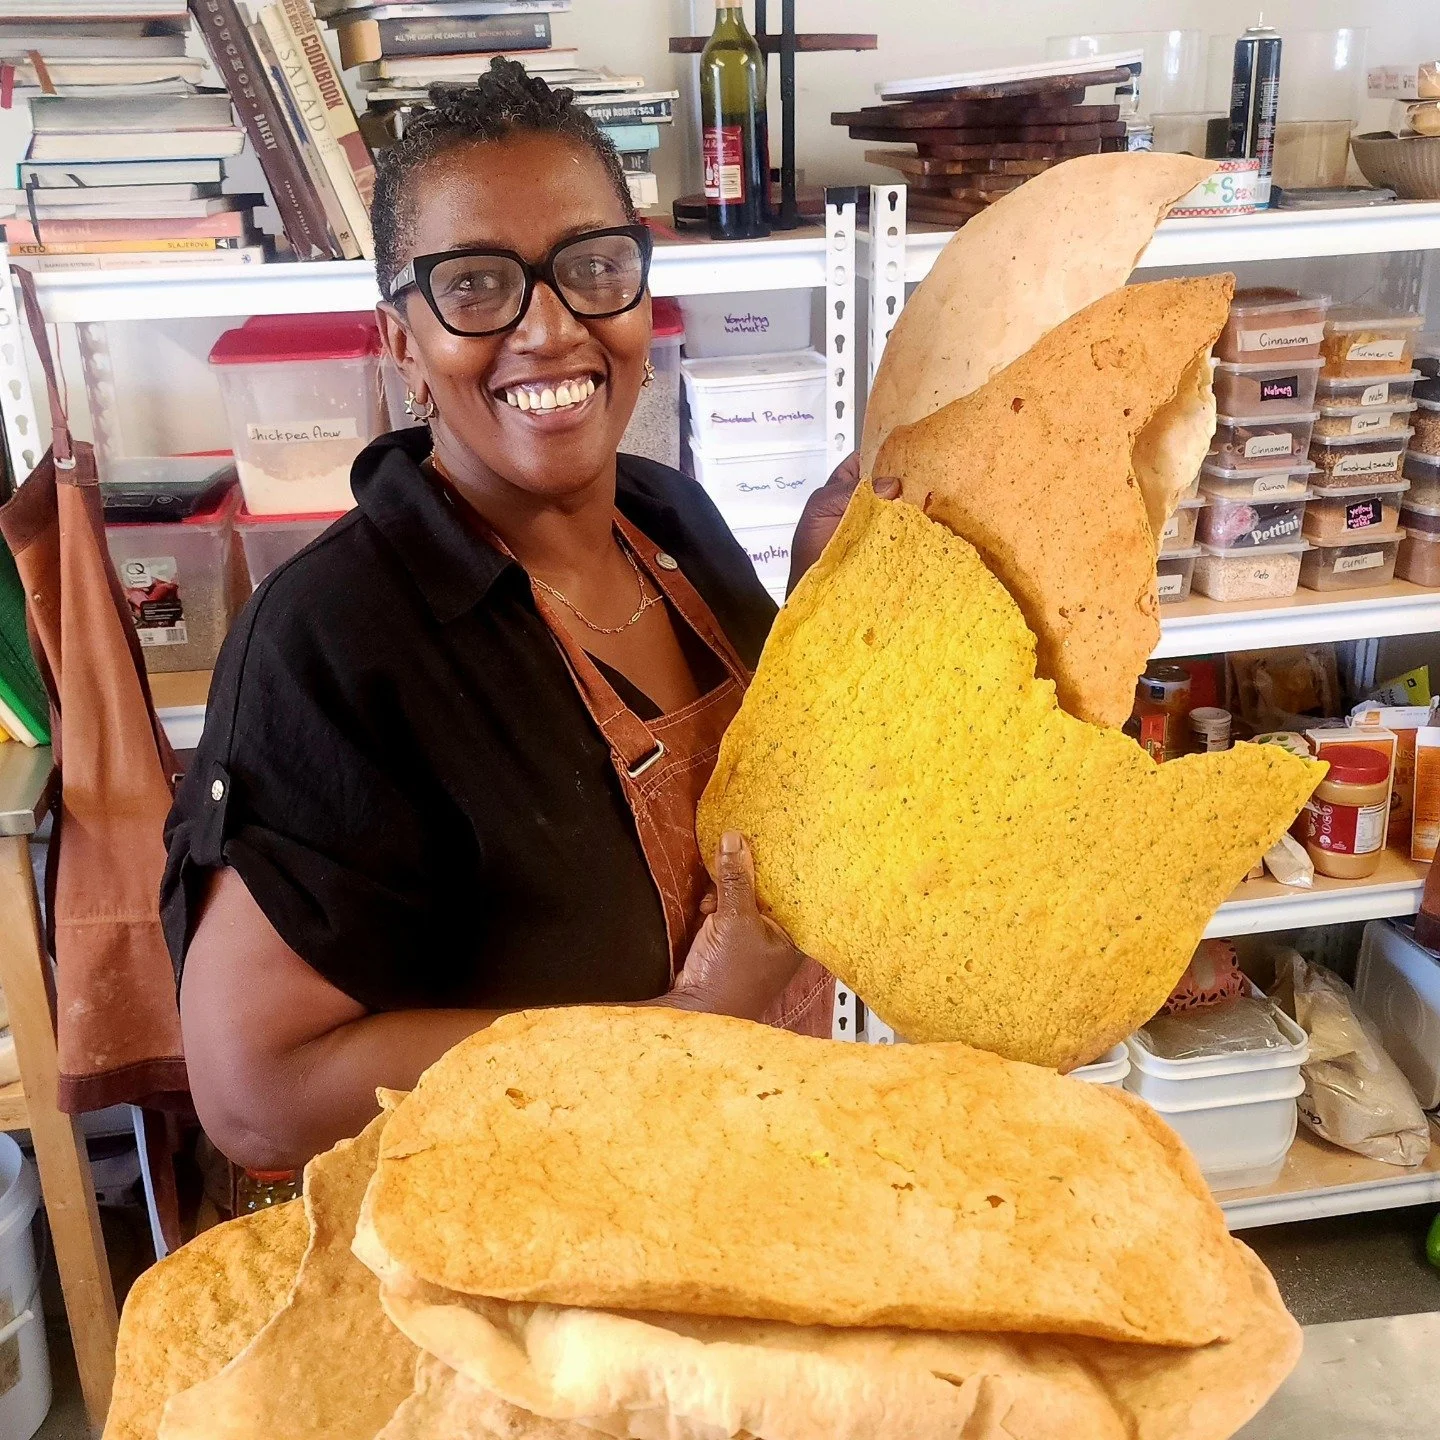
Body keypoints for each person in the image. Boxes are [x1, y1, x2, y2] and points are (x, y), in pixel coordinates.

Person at [164, 60, 892, 1171]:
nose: (550, 329)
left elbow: (778, 796)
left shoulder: (672, 520)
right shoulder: (339, 640)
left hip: (755, 1173)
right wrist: (678, 1038)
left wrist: (825, 599)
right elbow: (261, 1095)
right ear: (402, 340)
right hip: (527, 1270)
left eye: (594, 268)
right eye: (475, 285)